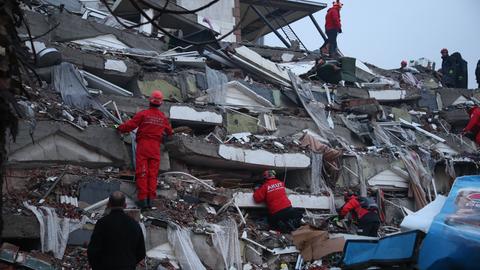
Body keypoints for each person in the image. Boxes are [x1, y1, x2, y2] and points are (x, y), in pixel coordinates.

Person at [117, 90, 173, 209]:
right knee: (152, 174)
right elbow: (169, 132)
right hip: (155, 148)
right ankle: (151, 200)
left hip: (143, 146)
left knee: (142, 173)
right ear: (160, 103)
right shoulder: (162, 117)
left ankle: (142, 200)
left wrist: (119, 128)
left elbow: (130, 125)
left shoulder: (143, 114)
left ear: (150, 101)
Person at [87, 191, 146, 270]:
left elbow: (92, 250)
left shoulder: (102, 223)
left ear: (108, 205)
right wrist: (130, 263)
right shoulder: (134, 224)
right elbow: (141, 252)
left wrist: (97, 266)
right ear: (125, 205)